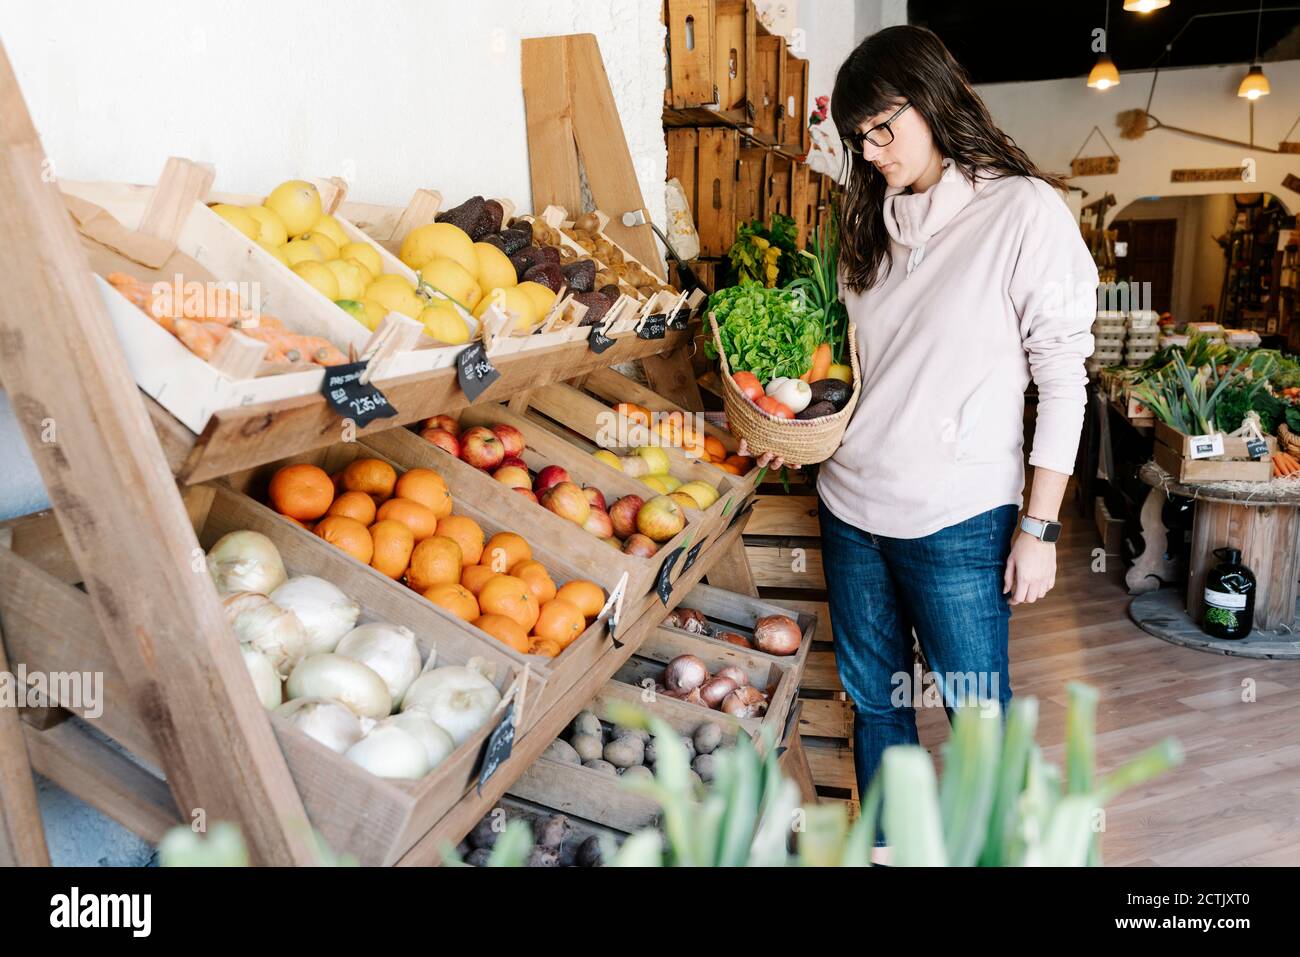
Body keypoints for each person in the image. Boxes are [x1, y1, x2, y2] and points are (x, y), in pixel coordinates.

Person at [740, 25, 1097, 860]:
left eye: (883, 129)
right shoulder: (867, 225)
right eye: (857, 137)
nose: (869, 153)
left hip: (956, 517)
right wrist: (791, 425)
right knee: (875, 704)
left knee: (977, 715)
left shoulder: (1022, 212)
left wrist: (1039, 527)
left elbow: (1066, 381)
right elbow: (859, 369)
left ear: (934, 101)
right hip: (851, 505)